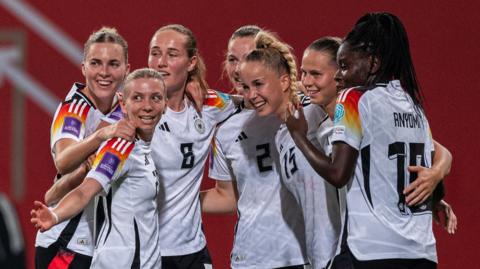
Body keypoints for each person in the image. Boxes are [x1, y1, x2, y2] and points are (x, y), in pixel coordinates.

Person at [286, 12, 448, 268]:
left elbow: (338, 173)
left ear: (373, 64)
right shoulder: (414, 108)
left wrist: (297, 134)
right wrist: (436, 180)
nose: (340, 75)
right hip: (421, 251)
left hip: (371, 251)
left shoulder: (354, 98)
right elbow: (433, 182)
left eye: (345, 66)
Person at [31, 68, 166, 269]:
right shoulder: (121, 147)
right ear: (123, 103)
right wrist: (55, 215)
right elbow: (85, 191)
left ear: (165, 104)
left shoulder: (145, 146)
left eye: (155, 98)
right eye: (137, 98)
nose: (147, 106)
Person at [201, 25, 308, 269]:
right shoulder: (226, 129)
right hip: (251, 257)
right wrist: (174, 201)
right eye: (232, 59)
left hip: (302, 254)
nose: (239, 69)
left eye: (248, 57)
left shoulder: (305, 109)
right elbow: (227, 197)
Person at [237, 31, 341, 269]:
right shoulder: (283, 135)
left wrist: (439, 165)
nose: (251, 95)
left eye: (258, 84)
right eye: (245, 87)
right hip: (318, 258)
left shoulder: (315, 111)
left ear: (284, 81)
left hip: (343, 255)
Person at [34, 27, 134, 268]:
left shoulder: (125, 109)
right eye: (96, 63)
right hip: (64, 240)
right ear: (84, 68)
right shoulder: (75, 109)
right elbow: (63, 161)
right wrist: (101, 135)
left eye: (113, 64)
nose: (104, 72)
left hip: (102, 244)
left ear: (127, 70)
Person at [147, 24, 236, 268]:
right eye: (155, 53)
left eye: (172, 54)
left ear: (191, 62)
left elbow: (251, 102)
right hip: (147, 250)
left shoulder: (208, 104)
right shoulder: (134, 108)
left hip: (193, 250)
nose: (161, 62)